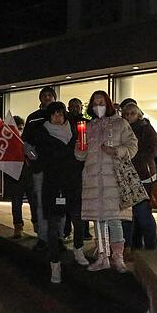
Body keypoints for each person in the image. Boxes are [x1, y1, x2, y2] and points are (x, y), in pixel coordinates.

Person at [76, 90, 138, 272]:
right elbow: (79, 155)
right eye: (95, 103)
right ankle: (102, 256)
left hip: (114, 179)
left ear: (108, 103)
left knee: (114, 219)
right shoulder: (88, 127)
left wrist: (116, 151)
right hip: (93, 180)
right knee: (98, 220)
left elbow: (132, 146)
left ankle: (117, 257)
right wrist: (81, 147)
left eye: (101, 102)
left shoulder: (120, 123)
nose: (98, 106)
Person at [31, 101, 88, 283]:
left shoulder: (75, 132)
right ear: (49, 116)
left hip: (72, 184)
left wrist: (81, 153)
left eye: (61, 114)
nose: (58, 117)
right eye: (54, 114)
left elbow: (81, 158)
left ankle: (78, 250)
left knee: (78, 220)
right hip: (53, 186)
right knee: (54, 228)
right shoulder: (41, 135)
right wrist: (31, 155)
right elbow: (38, 163)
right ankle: (55, 264)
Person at [22, 86, 58, 252]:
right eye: (45, 95)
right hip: (40, 168)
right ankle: (43, 238)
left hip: (59, 169)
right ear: (40, 98)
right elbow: (26, 142)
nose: (48, 97)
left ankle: (58, 237)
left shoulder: (61, 115)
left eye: (51, 95)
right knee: (41, 204)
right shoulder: (33, 118)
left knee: (60, 204)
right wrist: (32, 157)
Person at [121, 102, 157, 250]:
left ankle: (150, 244)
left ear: (138, 114)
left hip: (143, 176)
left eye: (132, 113)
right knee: (130, 215)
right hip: (127, 177)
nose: (129, 116)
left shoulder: (146, 129)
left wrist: (131, 157)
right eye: (127, 113)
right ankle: (134, 245)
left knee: (143, 213)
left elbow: (152, 151)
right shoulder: (123, 130)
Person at [64, 98, 93, 241]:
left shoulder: (86, 123)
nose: (75, 108)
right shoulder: (64, 122)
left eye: (78, 106)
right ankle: (66, 229)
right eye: (73, 106)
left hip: (83, 165)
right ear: (68, 107)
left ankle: (84, 231)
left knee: (84, 200)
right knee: (68, 200)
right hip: (68, 166)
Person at [5, 116, 35, 239]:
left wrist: (28, 152)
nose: (18, 131)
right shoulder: (7, 143)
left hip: (30, 176)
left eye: (20, 128)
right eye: (15, 128)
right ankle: (18, 226)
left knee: (34, 202)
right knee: (16, 203)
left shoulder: (28, 140)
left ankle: (37, 225)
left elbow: (35, 156)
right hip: (14, 177)